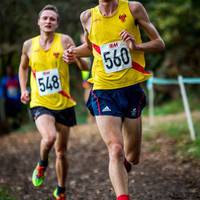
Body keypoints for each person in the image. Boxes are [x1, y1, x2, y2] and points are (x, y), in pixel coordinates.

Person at [63, 0, 165, 200]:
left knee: (132, 156)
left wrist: (136, 46)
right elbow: (92, 48)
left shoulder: (133, 8)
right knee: (115, 149)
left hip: (131, 88)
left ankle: (124, 165)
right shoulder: (87, 16)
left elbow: (159, 43)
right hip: (103, 89)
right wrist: (73, 51)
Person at [18, 5, 88, 200]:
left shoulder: (65, 40)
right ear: (39, 22)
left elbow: (83, 65)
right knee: (49, 138)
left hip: (64, 103)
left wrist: (76, 60)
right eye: (45, 18)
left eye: (52, 19)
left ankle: (61, 189)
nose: (48, 21)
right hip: (40, 102)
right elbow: (23, 68)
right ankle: (41, 164)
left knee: (62, 152)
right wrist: (24, 89)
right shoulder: (29, 45)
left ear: (57, 23)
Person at [1, 65, 21, 129]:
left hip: (17, 100)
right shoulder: (4, 80)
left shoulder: (16, 78)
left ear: (12, 70)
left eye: (10, 70)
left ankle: (18, 124)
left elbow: (20, 88)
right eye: (8, 70)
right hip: (9, 101)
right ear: (6, 71)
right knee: (10, 115)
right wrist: (3, 97)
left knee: (17, 114)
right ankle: (12, 126)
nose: (9, 71)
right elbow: (2, 90)